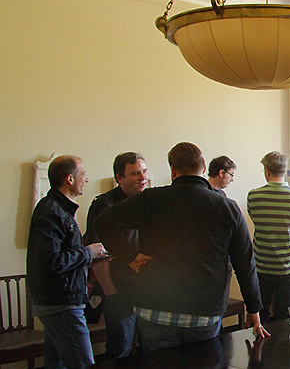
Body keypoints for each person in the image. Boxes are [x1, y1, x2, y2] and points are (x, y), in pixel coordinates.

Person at [96, 142, 267, 350]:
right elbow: (245, 262)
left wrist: (129, 256)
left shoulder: (151, 199)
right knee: (203, 368)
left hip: (155, 305)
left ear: (173, 170)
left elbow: (103, 222)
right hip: (204, 308)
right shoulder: (227, 207)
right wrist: (253, 308)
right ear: (203, 168)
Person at [27, 155, 109, 369]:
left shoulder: (58, 209)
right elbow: (51, 261)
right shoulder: (51, 211)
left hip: (61, 302)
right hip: (61, 305)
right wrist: (88, 253)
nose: (87, 179)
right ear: (69, 179)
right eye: (83, 174)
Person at [84, 152, 149, 359]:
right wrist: (111, 292)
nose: (142, 177)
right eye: (135, 173)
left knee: (149, 349)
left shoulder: (148, 202)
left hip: (146, 290)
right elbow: (97, 252)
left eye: (144, 172)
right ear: (119, 178)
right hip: (118, 291)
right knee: (120, 349)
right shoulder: (104, 205)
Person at [248, 151, 290, 323]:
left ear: (267, 171)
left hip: (262, 266)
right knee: (284, 317)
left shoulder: (253, 196)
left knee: (261, 314)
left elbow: (255, 220)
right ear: (285, 170)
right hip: (289, 268)